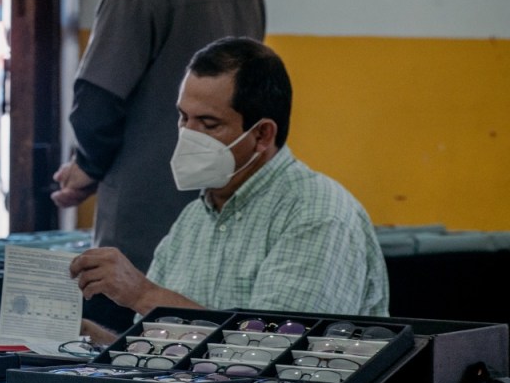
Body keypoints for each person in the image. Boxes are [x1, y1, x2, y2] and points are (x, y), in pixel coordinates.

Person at [52, 0, 266, 286]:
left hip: (144, 235)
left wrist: (84, 169)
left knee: (134, 352)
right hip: (229, 225)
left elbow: (96, 107)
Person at [69, 38, 390, 344]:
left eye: (209, 124)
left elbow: (274, 350)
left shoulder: (316, 213)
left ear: (262, 134)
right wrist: (89, 340)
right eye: (183, 117)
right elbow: (161, 357)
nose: (187, 136)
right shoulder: (194, 219)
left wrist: (142, 294)